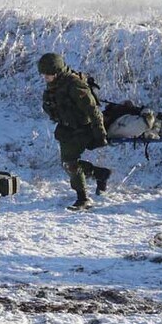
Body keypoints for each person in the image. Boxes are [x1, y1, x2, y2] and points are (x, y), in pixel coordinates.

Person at [39, 53, 111, 210]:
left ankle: (83, 199)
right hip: (68, 127)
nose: (45, 78)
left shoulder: (74, 84)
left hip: (84, 128)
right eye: (44, 74)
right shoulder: (56, 84)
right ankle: (100, 174)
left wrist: (100, 133)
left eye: (48, 74)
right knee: (67, 163)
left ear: (57, 72)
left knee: (70, 162)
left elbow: (93, 110)